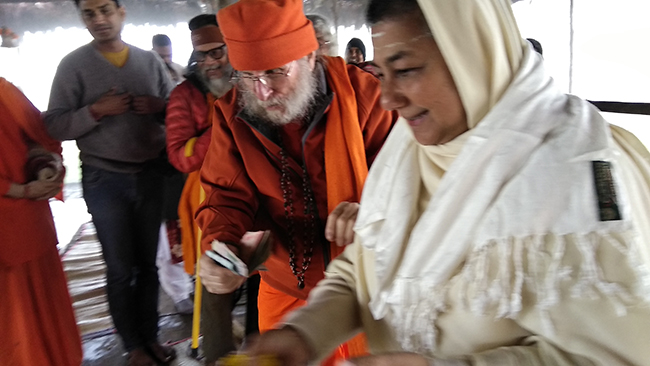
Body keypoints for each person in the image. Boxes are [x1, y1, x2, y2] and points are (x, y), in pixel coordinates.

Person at [247, 0, 650, 365]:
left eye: (405, 71)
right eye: (382, 72)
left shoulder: (573, 178)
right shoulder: (410, 154)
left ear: (473, 56)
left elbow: (616, 356)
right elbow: (366, 265)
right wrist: (307, 332)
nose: (387, 98)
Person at [195, 0, 397, 364]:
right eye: (248, 76)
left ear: (309, 57)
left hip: (366, 281)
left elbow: (409, 183)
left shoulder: (365, 98)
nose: (263, 91)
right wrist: (220, 248)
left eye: (275, 72)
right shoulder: (232, 114)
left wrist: (371, 209)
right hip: (285, 282)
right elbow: (226, 196)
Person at [43, 0, 175, 365]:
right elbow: (53, 124)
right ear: (83, 19)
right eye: (89, 14)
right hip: (105, 178)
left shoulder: (149, 62)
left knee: (148, 265)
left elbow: (177, 109)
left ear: (121, 13)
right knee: (119, 267)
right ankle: (132, 345)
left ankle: (152, 336)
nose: (99, 20)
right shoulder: (73, 65)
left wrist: (158, 106)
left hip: (150, 175)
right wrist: (96, 111)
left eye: (105, 10)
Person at [165, 14, 241, 365]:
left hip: (261, 190)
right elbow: (179, 156)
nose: (210, 62)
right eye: (202, 54)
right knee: (215, 283)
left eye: (217, 53)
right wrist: (223, 126)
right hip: (209, 200)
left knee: (262, 276)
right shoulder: (185, 95)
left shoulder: (248, 83)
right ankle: (217, 354)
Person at [0, 77, 82, 366]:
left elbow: (38, 140)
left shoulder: (5, 92)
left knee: (39, 305)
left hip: (29, 223)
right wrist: (22, 190)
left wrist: (47, 167)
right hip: (14, 220)